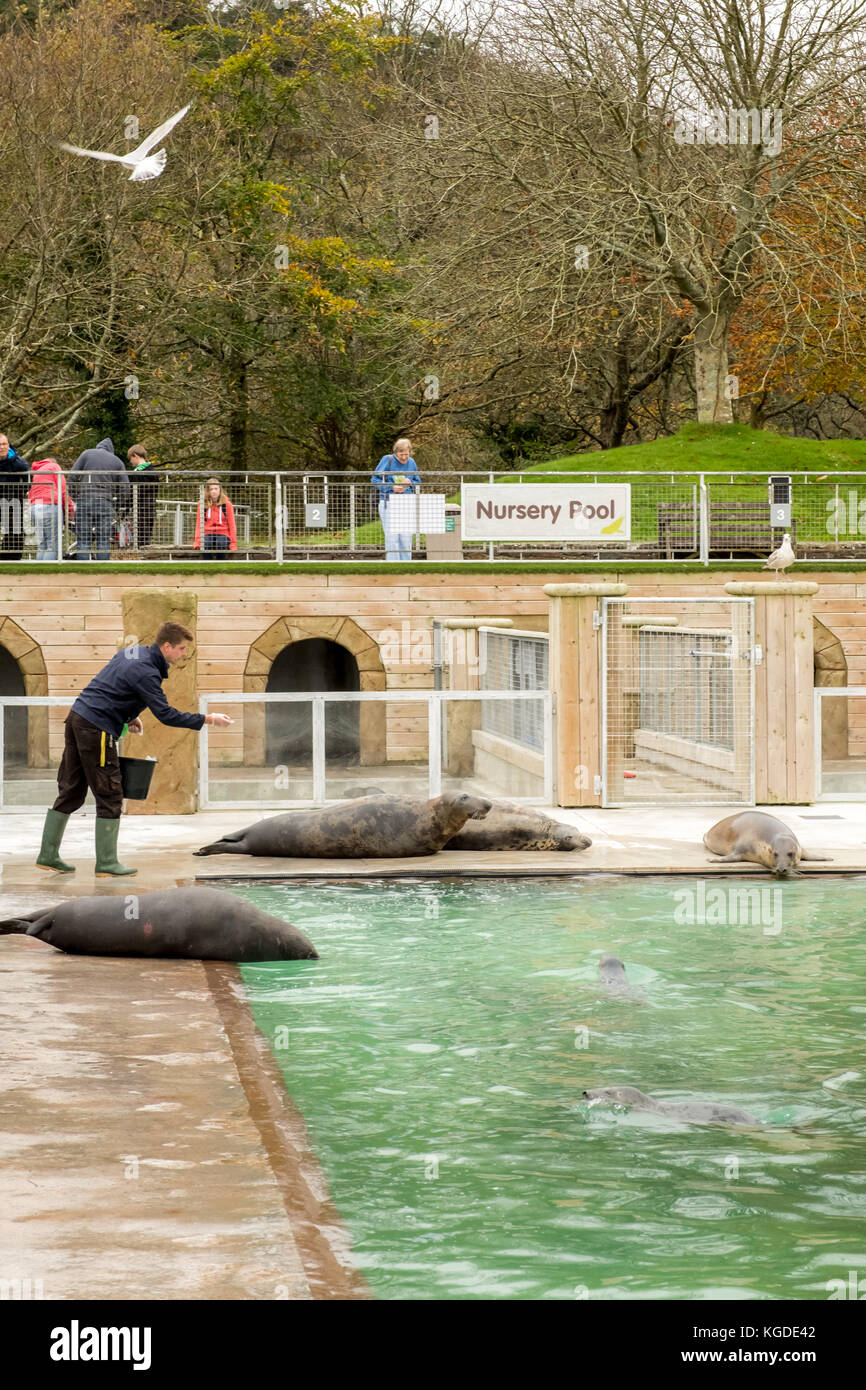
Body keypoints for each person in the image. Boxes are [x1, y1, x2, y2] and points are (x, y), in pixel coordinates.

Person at [36, 621, 234, 877]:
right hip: (97, 728)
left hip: (78, 718)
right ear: (167, 647)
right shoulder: (147, 671)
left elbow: (113, 685)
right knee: (110, 793)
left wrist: (128, 716)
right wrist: (208, 719)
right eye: (182, 648)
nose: (185, 653)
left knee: (72, 789)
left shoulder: (132, 652)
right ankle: (106, 863)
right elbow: (166, 715)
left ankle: (48, 854)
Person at [70, 436, 131, 561]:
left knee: (83, 538)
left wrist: (75, 496)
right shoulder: (117, 461)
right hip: (105, 501)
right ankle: (102, 571)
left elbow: (72, 476)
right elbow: (126, 487)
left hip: (85, 499)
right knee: (103, 539)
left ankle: (83, 571)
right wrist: (117, 504)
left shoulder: (86, 454)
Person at [371, 438, 421, 561]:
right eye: (401, 454)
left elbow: (417, 481)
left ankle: (406, 565)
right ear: (395, 452)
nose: (404, 457)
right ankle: (393, 565)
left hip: (406, 503)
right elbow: (375, 480)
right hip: (388, 503)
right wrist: (391, 487)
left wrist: (409, 482)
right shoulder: (387, 460)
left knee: (406, 537)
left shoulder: (412, 462)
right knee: (392, 537)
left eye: (406, 454)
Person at [28, 457, 69, 561]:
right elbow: (62, 489)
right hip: (49, 505)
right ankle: (48, 574)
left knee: (42, 544)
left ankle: (39, 572)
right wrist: (69, 508)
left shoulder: (37, 472)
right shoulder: (54, 467)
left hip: (35, 506)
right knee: (52, 544)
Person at [0, 433, 30, 560]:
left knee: (14, 529)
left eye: (4, 444)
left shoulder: (19, 463)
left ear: (8, 445)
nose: (1, 447)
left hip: (13, 499)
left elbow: (29, 481)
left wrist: (19, 491)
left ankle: (12, 558)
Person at [127, 443, 160, 549]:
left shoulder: (138, 473)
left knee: (141, 538)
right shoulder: (153, 471)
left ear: (135, 455)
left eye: (130, 458)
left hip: (141, 509)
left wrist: (126, 506)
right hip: (149, 508)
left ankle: (141, 558)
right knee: (144, 537)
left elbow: (132, 493)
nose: (130, 462)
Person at [194, 477, 237, 556]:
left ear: (220, 489)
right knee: (205, 543)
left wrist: (233, 544)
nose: (214, 491)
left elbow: (232, 525)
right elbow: (198, 524)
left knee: (221, 543)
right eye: (211, 489)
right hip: (207, 532)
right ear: (207, 491)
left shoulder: (227, 504)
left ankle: (222, 565)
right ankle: (206, 565)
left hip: (223, 532)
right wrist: (197, 541)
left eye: (216, 488)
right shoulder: (202, 504)